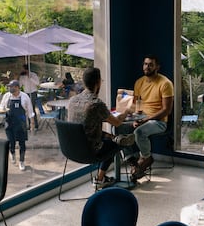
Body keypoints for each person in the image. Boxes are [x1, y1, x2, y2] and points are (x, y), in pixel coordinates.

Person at [67, 67, 136, 189]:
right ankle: (100, 178)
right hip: (90, 151)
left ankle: (114, 139)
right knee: (116, 145)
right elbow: (117, 122)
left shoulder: (72, 100)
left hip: (71, 149)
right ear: (98, 82)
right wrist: (126, 111)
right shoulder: (96, 103)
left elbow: (85, 128)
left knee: (109, 138)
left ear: (84, 82)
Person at [117, 54, 174, 182]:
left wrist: (146, 120)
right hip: (142, 117)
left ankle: (146, 158)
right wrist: (129, 116)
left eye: (150, 64)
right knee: (120, 127)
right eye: (145, 64)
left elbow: (167, 110)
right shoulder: (139, 82)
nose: (147, 67)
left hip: (158, 122)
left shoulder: (165, 83)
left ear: (157, 67)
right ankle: (133, 161)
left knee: (139, 132)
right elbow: (136, 105)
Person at [0, 80, 35, 171]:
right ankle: (12, 153)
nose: (10, 88)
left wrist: (32, 123)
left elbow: (30, 111)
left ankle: (22, 161)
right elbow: (1, 107)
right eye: (9, 87)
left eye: (12, 87)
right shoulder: (6, 96)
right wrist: (3, 110)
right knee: (11, 142)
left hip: (21, 123)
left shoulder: (25, 97)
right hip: (9, 123)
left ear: (17, 87)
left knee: (22, 143)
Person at [19, 64, 40, 131]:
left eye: (23, 69)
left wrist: (30, 78)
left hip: (33, 92)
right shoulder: (22, 76)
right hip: (26, 93)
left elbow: (37, 83)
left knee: (32, 108)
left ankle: (35, 125)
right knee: (27, 109)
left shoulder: (33, 75)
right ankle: (29, 124)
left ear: (26, 69)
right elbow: (19, 85)